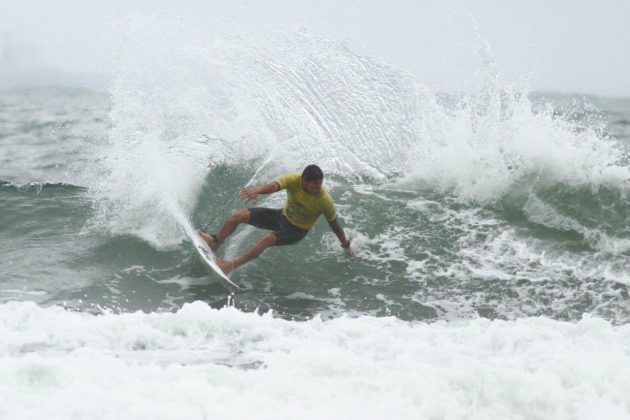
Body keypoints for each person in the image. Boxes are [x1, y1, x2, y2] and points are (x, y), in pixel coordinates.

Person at [197, 164, 354, 275]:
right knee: (238, 215)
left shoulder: (324, 200)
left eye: (320, 184)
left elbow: (334, 225)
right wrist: (257, 190)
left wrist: (345, 245)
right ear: (304, 181)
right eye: (314, 184)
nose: (318, 187)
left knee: (267, 239)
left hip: (297, 230)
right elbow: (275, 185)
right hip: (282, 216)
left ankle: (229, 266)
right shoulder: (293, 179)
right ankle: (215, 242)